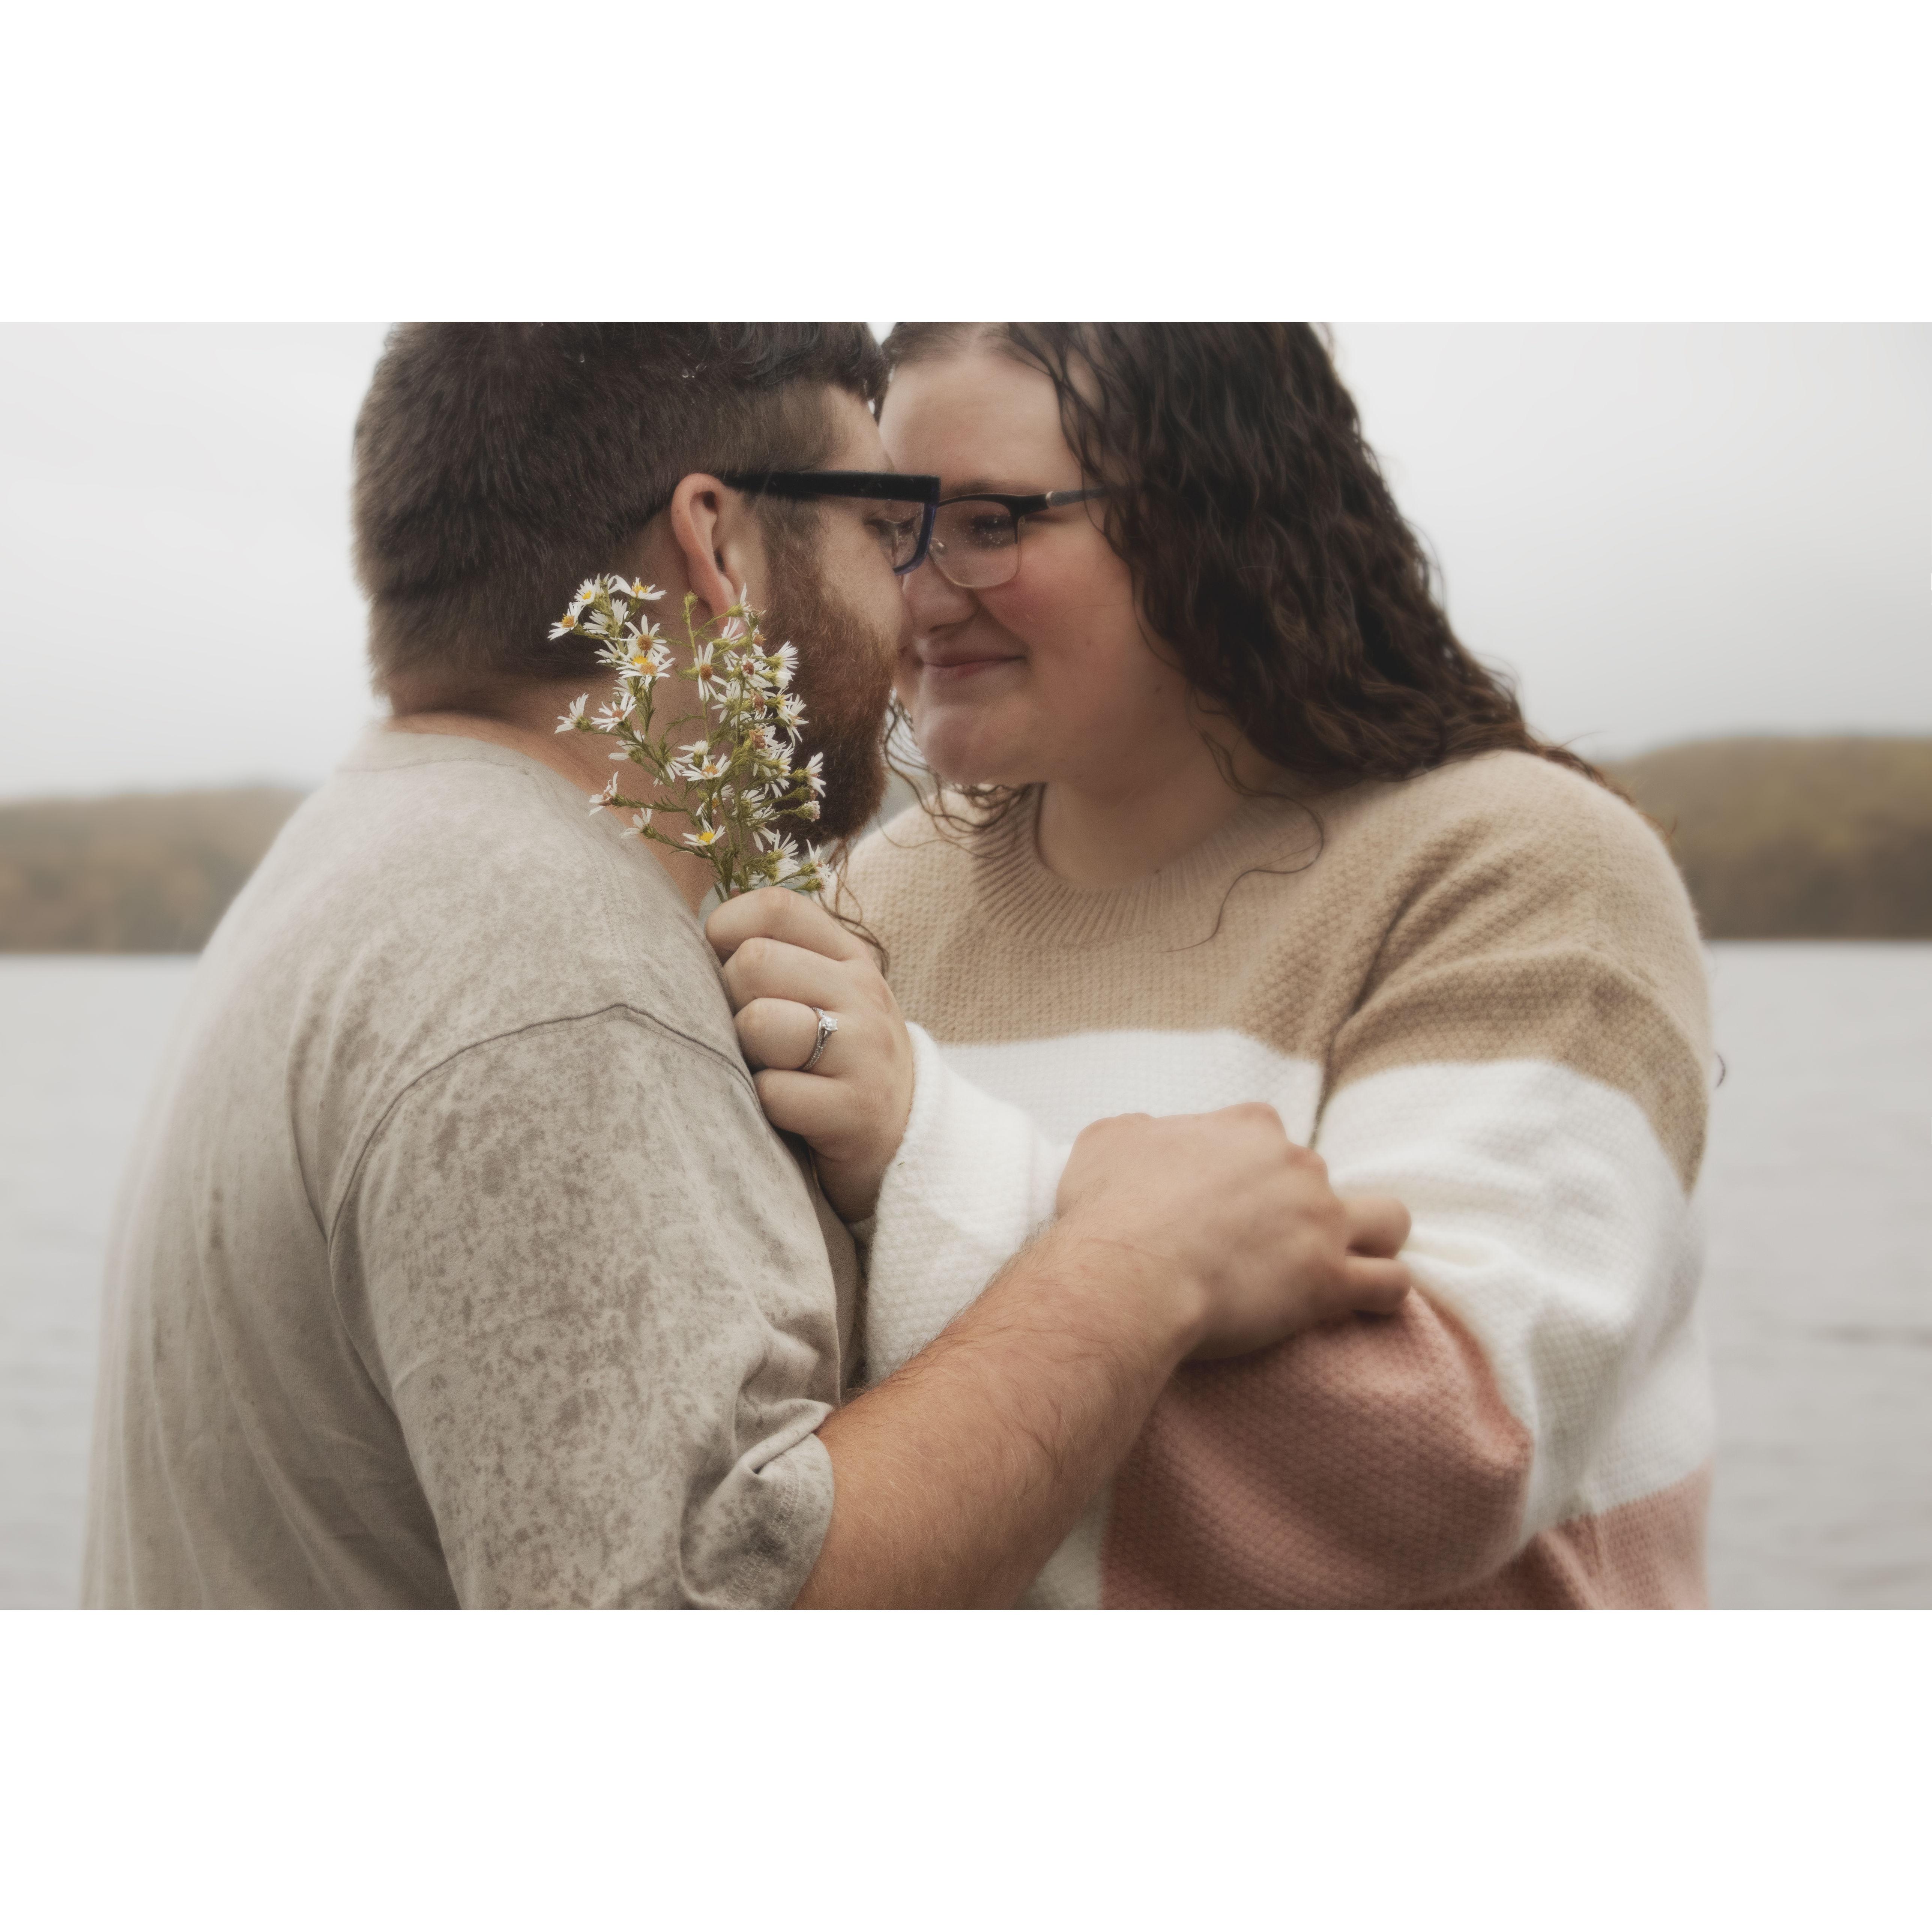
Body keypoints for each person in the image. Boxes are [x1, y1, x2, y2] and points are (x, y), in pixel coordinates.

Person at [81, 323, 1411, 1610]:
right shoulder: (554, 979)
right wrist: (1134, 1262)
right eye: (883, 524)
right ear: (719, 543)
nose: (917, 595)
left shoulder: (377, 851)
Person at [711, 322, 1715, 1609]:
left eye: (990, 523)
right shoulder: (875, 897)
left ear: (1220, 513)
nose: (919, 592)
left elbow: (1439, 1466)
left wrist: (924, 1152)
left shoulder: (1523, 870)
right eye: (895, 526)